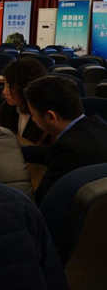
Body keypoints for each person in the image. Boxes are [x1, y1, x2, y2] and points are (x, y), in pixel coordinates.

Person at [22, 75, 107, 204]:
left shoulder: (67, 150)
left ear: (51, 116)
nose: (33, 119)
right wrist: (20, 151)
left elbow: (42, 201)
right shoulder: (99, 125)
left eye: (33, 115)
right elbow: (50, 152)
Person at [0, 58, 48, 144]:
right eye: (5, 85)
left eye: (10, 87)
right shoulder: (7, 108)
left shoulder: (45, 116)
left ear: (26, 87)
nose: (4, 92)